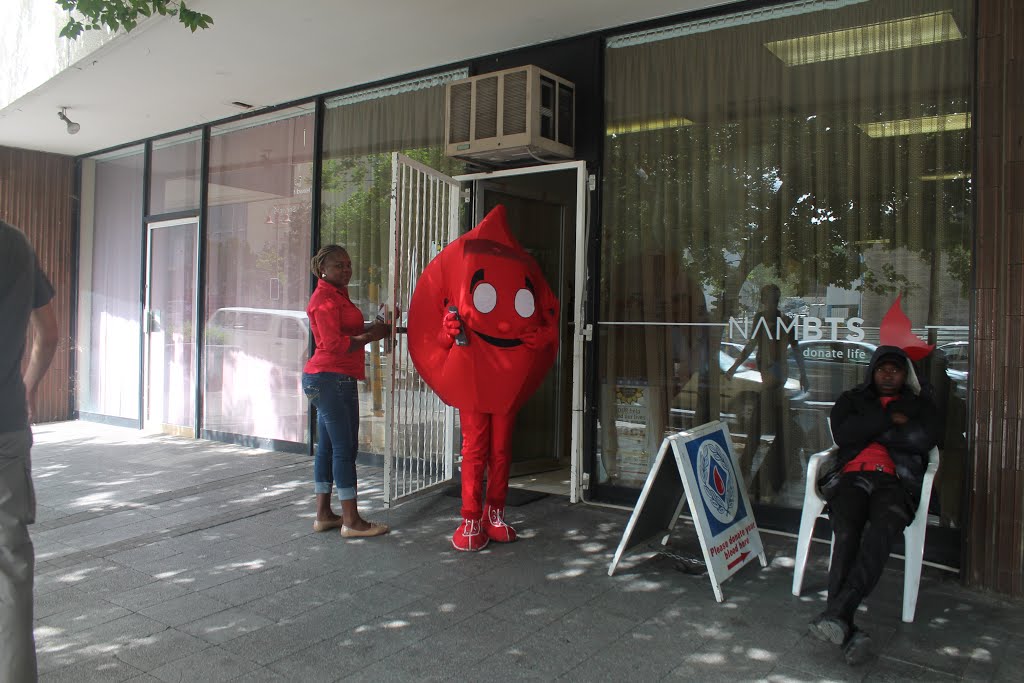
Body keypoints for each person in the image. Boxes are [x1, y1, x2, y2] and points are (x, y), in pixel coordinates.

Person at [406, 205, 559, 551]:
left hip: (504, 380)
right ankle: (472, 516)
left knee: (500, 449)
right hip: (475, 375)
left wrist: (546, 335)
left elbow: (549, 309)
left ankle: (494, 513)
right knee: (476, 448)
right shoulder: (460, 260)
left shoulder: (524, 268)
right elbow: (433, 310)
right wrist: (446, 332)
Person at [808, 345, 939, 665]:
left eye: (896, 368)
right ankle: (846, 627)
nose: (889, 373)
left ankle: (838, 613)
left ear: (905, 374)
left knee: (882, 530)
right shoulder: (853, 399)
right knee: (847, 530)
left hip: (894, 483)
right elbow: (843, 434)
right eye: (883, 368)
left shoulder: (919, 405)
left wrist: (871, 430)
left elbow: (922, 439)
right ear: (872, 371)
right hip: (852, 479)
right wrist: (887, 419)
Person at [1, 220, 58, 682]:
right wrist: (26, 387)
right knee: (10, 568)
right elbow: (49, 335)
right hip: (6, 425)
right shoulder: (16, 242)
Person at [303, 245, 391, 538]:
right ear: (323, 269)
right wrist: (370, 336)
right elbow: (334, 344)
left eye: (349, 264)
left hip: (330, 378)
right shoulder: (324, 299)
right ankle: (352, 522)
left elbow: (345, 333)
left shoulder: (337, 296)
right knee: (344, 449)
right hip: (331, 378)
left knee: (328, 448)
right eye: (339, 265)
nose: (346, 269)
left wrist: (375, 326)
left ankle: (325, 514)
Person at [725, 283, 808, 495]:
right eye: (768, 298)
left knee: (759, 422)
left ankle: (748, 467)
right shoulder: (761, 319)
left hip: (776, 376)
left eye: (773, 299)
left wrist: (804, 374)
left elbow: (795, 347)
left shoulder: (783, 320)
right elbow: (752, 345)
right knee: (778, 421)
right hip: (771, 375)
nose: (770, 302)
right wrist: (734, 368)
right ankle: (791, 465)